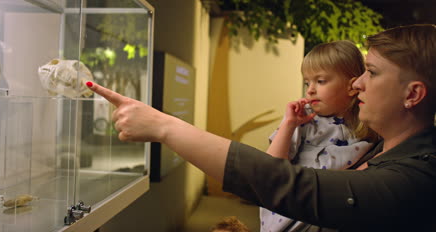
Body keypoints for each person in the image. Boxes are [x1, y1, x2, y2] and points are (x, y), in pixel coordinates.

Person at [86, 24, 436, 231]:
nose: (357, 83)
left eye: (371, 73)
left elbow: (288, 185)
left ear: (413, 94)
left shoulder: (416, 178)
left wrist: (164, 127)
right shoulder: (382, 147)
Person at [260, 40, 377, 232]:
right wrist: (289, 125)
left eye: (320, 81)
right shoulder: (303, 117)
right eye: (307, 82)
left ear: (352, 86)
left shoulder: (365, 123)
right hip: (288, 212)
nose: (310, 90)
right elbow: (271, 166)